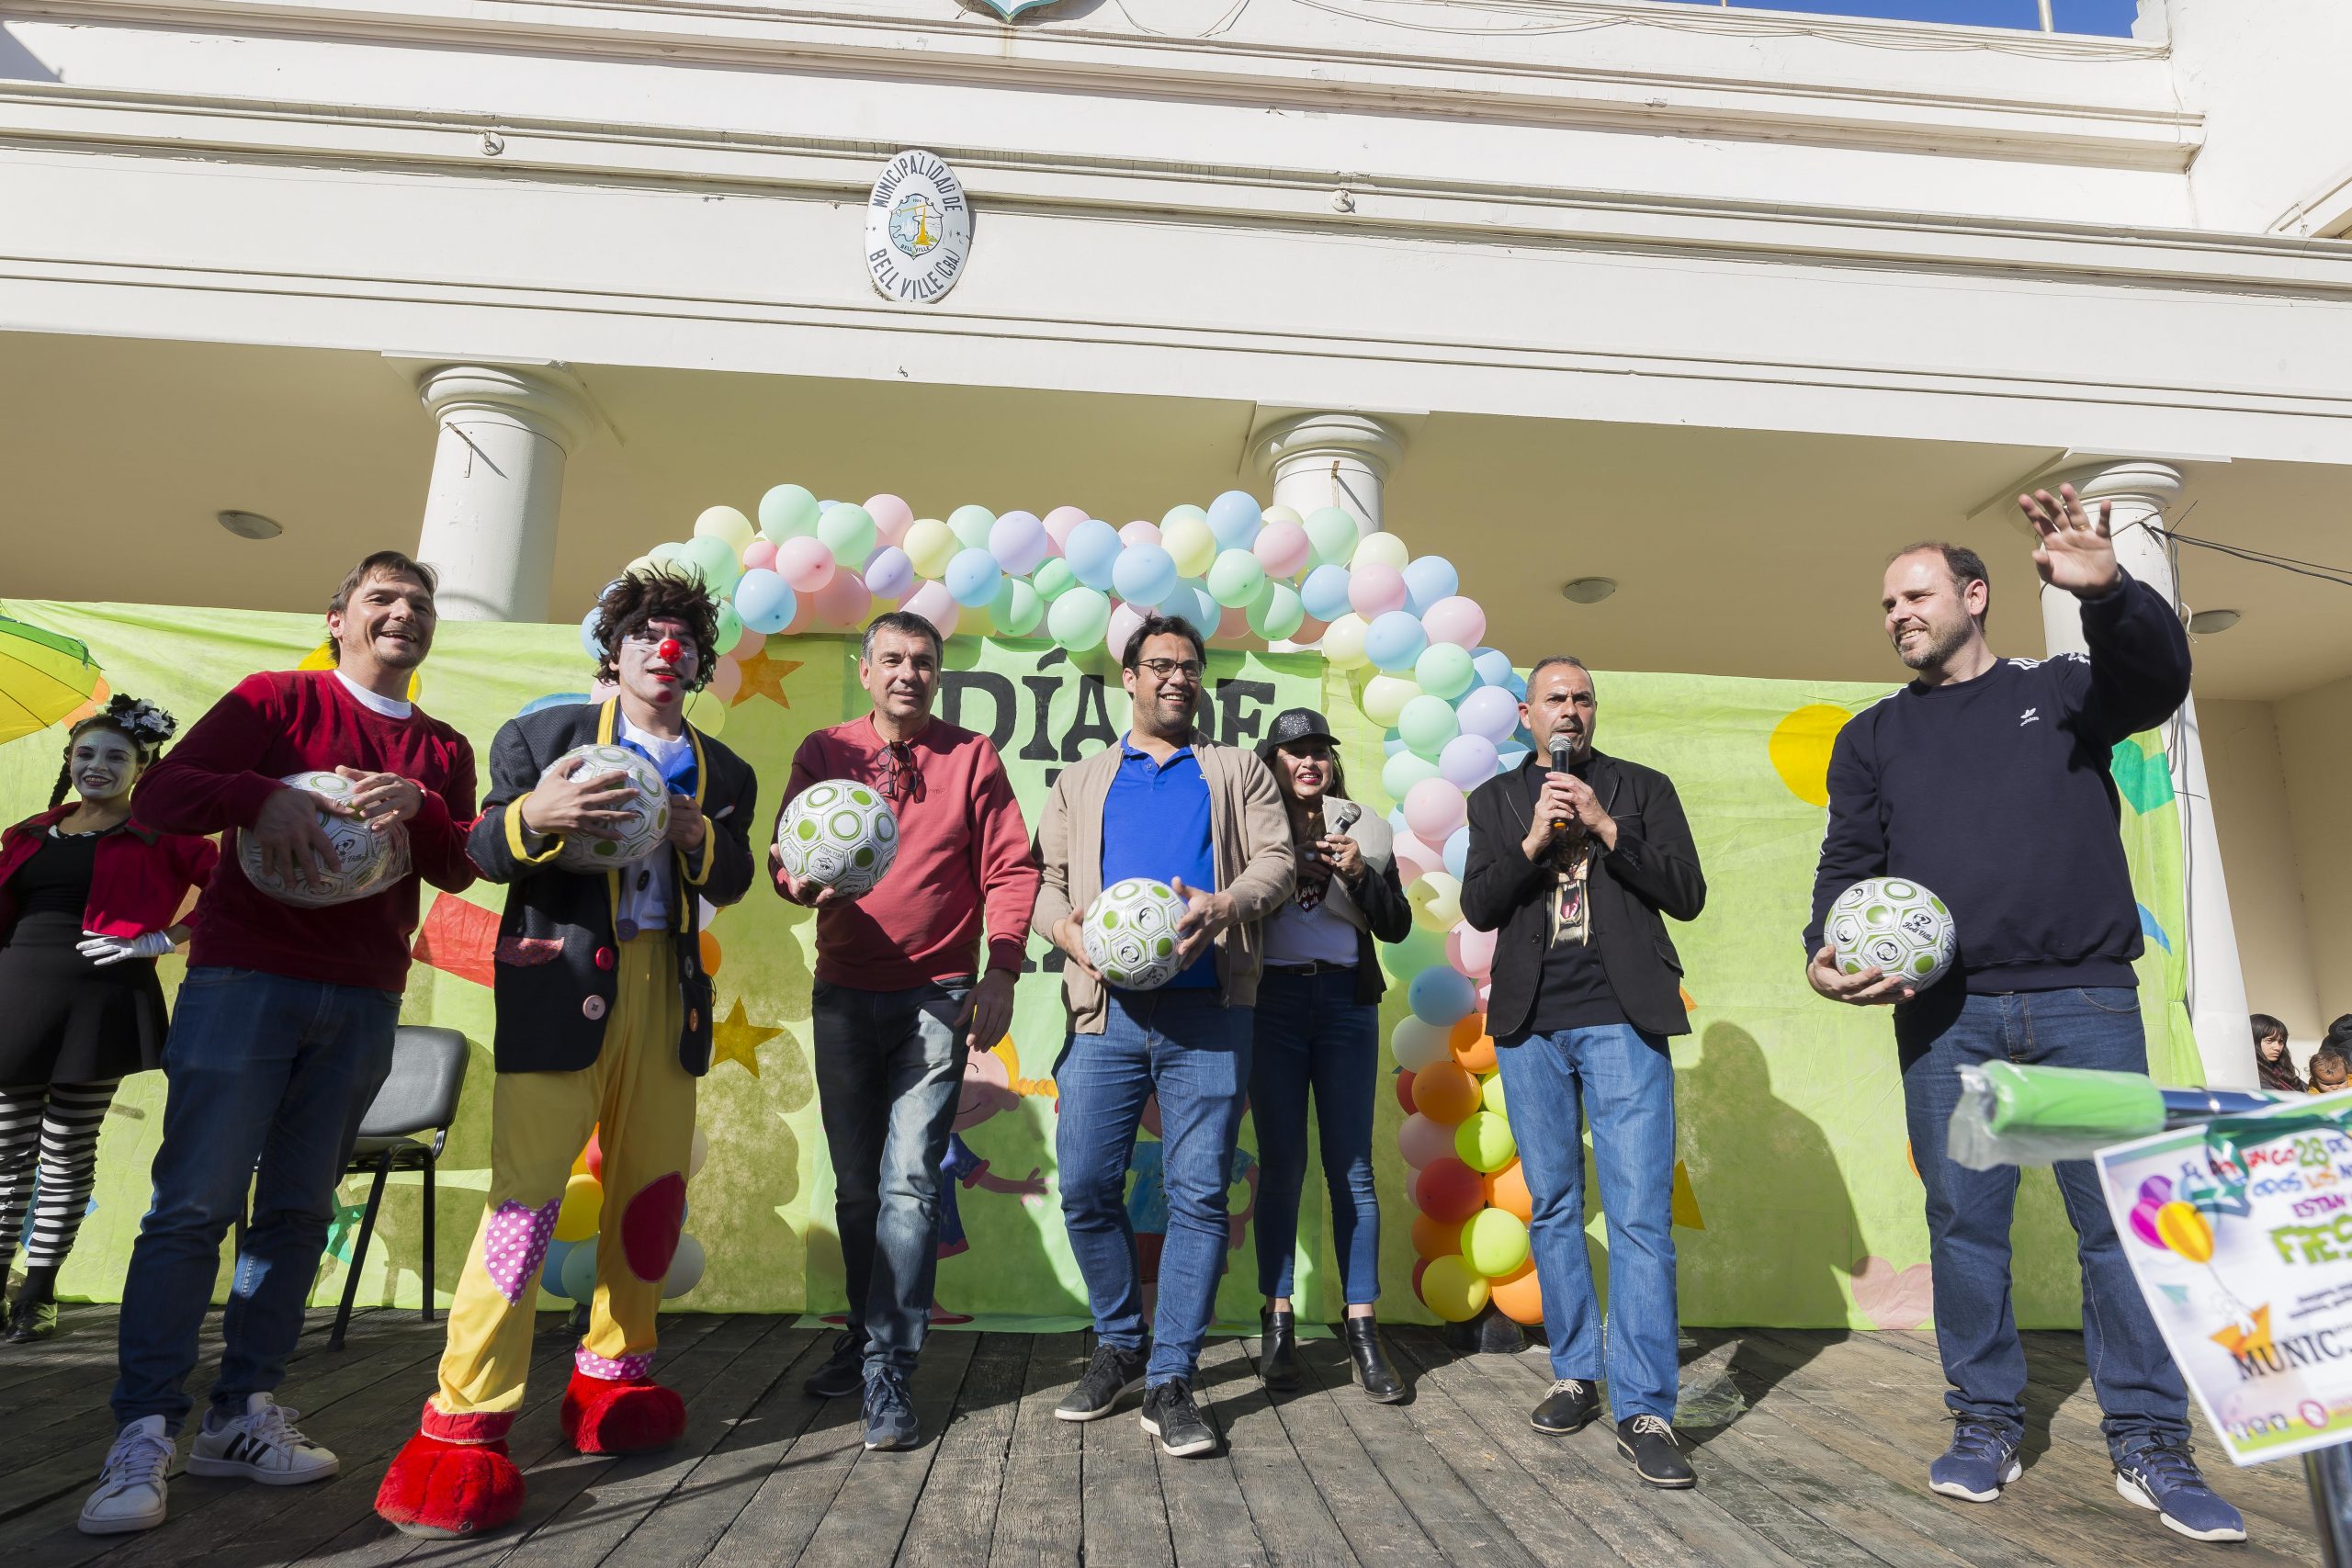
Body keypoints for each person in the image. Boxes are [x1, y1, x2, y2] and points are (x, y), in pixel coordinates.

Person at [1804, 490, 2245, 1544]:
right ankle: (1984, 1423)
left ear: (1973, 595)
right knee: (1964, 1231)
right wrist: (1824, 950)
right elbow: (1848, 862)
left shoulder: (2061, 691)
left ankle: (2150, 1442)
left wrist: (2108, 591)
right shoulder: (1870, 738)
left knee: (2118, 1234)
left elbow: (2157, 680)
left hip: (2083, 1004)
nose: (1897, 615)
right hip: (1947, 1021)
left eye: (1914, 595)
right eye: (1886, 604)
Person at [81, 551, 478, 1537]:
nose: (403, 613)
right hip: (243, 982)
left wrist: (422, 805)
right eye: (382, 598)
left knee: (298, 1211)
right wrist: (259, 795)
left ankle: (241, 1411)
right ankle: (143, 1429)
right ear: (338, 618)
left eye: (420, 603)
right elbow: (165, 798)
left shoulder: (442, 746)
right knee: (193, 1206)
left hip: (364, 996)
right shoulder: (275, 700)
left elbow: (458, 865)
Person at [374, 568, 757, 1539]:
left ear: (700, 665)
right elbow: (481, 851)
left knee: (649, 1198)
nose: (665, 652)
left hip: (667, 996)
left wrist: (698, 836)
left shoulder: (723, 770)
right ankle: (463, 1419)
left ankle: (613, 1377)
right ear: (613, 653)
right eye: (647, 637)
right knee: (524, 1203)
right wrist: (533, 819)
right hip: (559, 990)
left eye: (683, 641)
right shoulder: (542, 737)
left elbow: (738, 874)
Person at [771, 610, 1040, 1451]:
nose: (908, 673)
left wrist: (1002, 969)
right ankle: (863, 1333)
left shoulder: (973, 757)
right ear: (866, 670)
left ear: (938, 674)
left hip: (938, 995)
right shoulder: (825, 751)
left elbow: (1012, 867)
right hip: (845, 994)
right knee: (858, 1187)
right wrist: (796, 880)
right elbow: (785, 850)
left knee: (913, 1182)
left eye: (923, 661)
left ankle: (889, 1367)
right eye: (891, 658)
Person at [1031, 614, 1293, 1458]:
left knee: (1199, 1195)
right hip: (1105, 1015)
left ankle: (1173, 1373)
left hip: (1208, 1013)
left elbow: (1278, 861)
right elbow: (1045, 882)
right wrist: (1066, 933)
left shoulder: (1237, 769)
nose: (1177, 677)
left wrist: (1226, 904)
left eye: (1189, 666)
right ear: (1130, 677)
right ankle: (1120, 1342)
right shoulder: (1081, 780)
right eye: (1160, 665)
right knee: (1085, 1183)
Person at [1461, 655, 1706, 1490]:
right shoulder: (1495, 799)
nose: (1570, 709)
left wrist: (1605, 826)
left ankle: (1645, 1408)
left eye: (1583, 697)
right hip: (1530, 1023)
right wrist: (1534, 841)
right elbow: (1480, 906)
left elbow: (1687, 892)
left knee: (1639, 1214)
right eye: (1555, 698)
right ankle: (1575, 1372)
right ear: (1526, 714)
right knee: (1556, 1205)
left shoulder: (1642, 787)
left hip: (1622, 1017)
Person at [0, 696, 214, 1343]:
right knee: (6, 1153)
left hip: (102, 1004)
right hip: (15, 1000)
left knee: (66, 1149)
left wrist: (163, 939)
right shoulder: (27, 831)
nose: (98, 765)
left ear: (142, 769)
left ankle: (37, 1293)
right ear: (69, 760)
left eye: (117, 756)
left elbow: (237, 886)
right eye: (86, 753)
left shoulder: (165, 833)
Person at [1248, 707, 1411, 1403]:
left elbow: (1397, 924)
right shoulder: (1251, 824)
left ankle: (1362, 1326)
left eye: (1319, 750)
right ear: (1273, 762)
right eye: (1294, 751)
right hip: (1272, 1004)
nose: (1309, 761)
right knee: (1282, 1165)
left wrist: (1360, 875)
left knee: (1352, 1168)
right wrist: (1284, 865)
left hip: (1346, 1004)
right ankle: (1278, 1317)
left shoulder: (1365, 826)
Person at [2250, 1013, 2302, 1094]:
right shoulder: (2251, 1077)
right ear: (2253, 1040)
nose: (2277, 1048)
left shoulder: (2283, 1073)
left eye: (2281, 1042)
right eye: (2269, 1041)